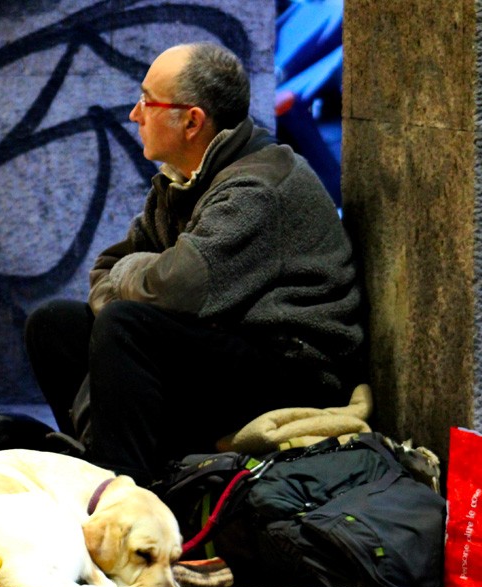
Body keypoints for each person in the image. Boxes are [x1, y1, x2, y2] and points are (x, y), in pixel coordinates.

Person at [24, 42, 366, 485]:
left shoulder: (257, 188)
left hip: (294, 369)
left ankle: (128, 492)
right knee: (54, 323)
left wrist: (133, 285)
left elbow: (172, 289)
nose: (134, 114)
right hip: (226, 344)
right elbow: (109, 266)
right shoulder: (184, 179)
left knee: (125, 326)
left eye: (147, 101)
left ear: (192, 121)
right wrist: (136, 284)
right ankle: (100, 462)